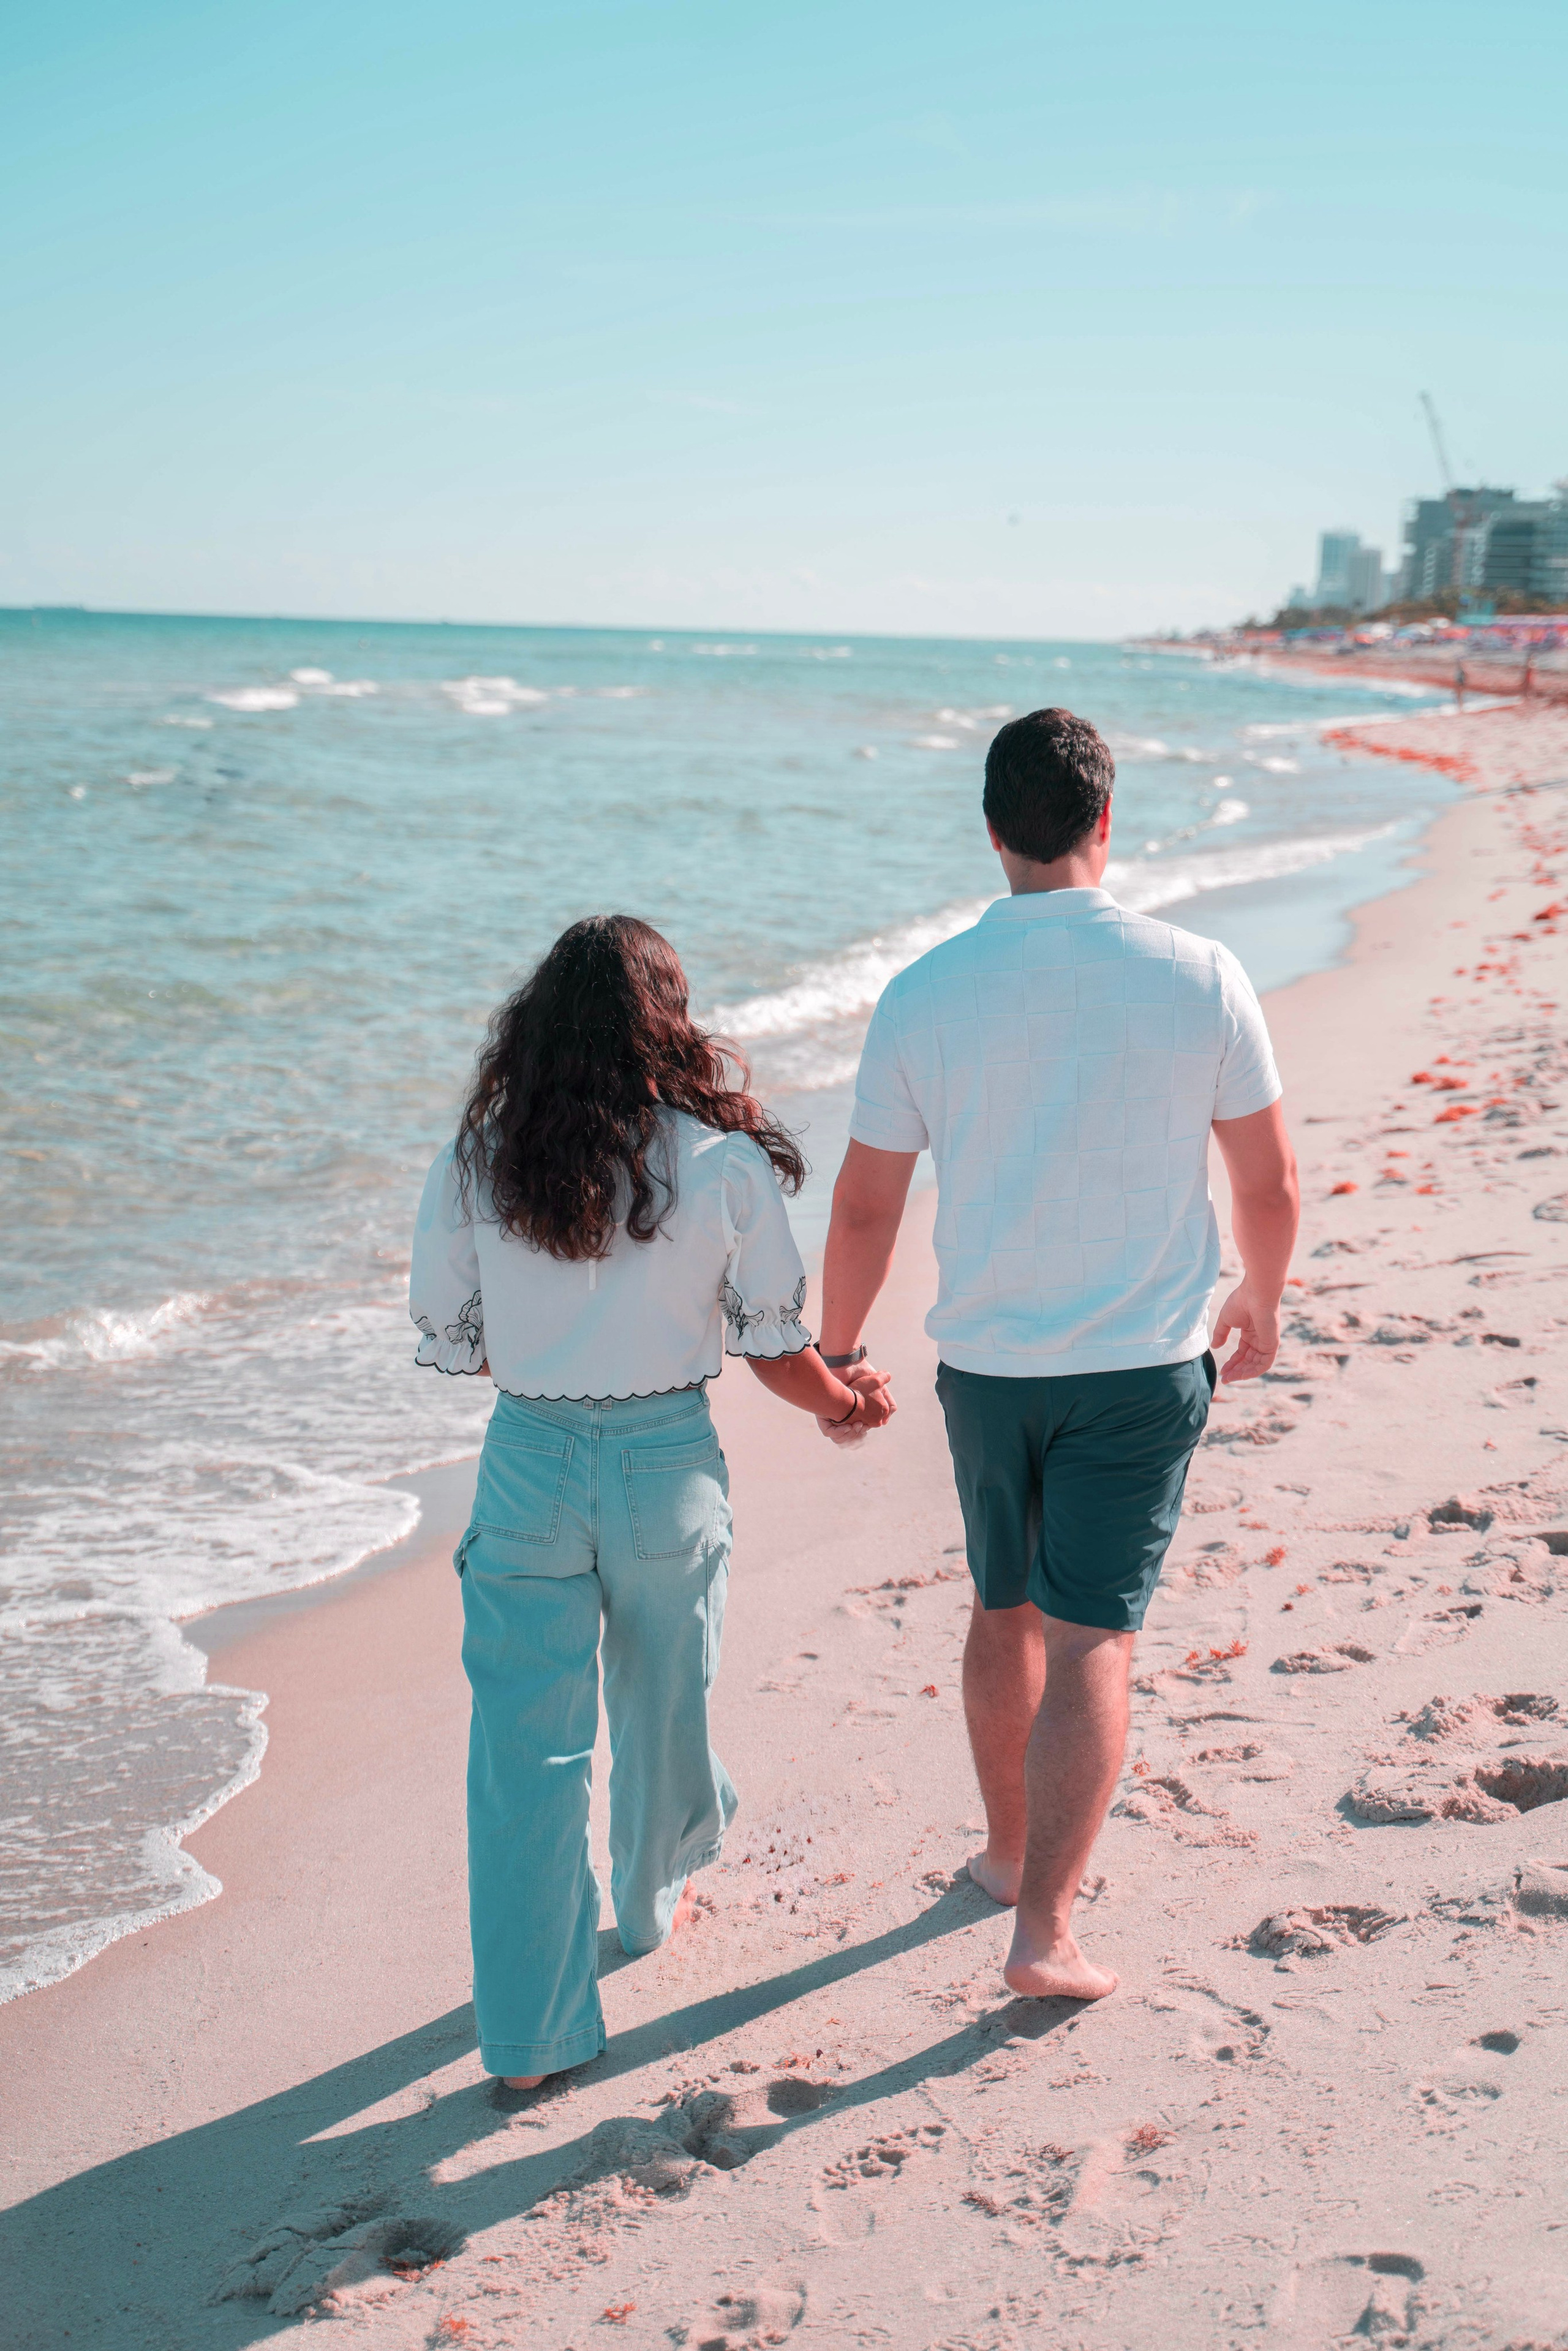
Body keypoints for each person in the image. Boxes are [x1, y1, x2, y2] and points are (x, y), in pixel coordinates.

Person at [815, 709, 1298, 2002]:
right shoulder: (1197, 972)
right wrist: (1259, 1297)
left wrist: (836, 1351)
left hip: (983, 1365)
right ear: (1102, 823)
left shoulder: (924, 989)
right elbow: (1267, 1178)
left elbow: (865, 1204)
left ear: (990, 830)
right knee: (1094, 1633)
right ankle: (1043, 1929)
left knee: (1001, 1606)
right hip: (1141, 1362)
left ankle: (1002, 1849)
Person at [410, 915, 894, 2091]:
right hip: (664, 1461)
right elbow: (778, 1352)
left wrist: (553, 1359)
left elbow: (455, 1340)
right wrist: (844, 1400)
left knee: (527, 1755)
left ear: (536, 1030)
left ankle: (528, 2043)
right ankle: (650, 1883)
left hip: (527, 1459)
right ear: (666, 1025)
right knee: (669, 1695)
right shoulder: (721, 1165)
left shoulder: (481, 1159)